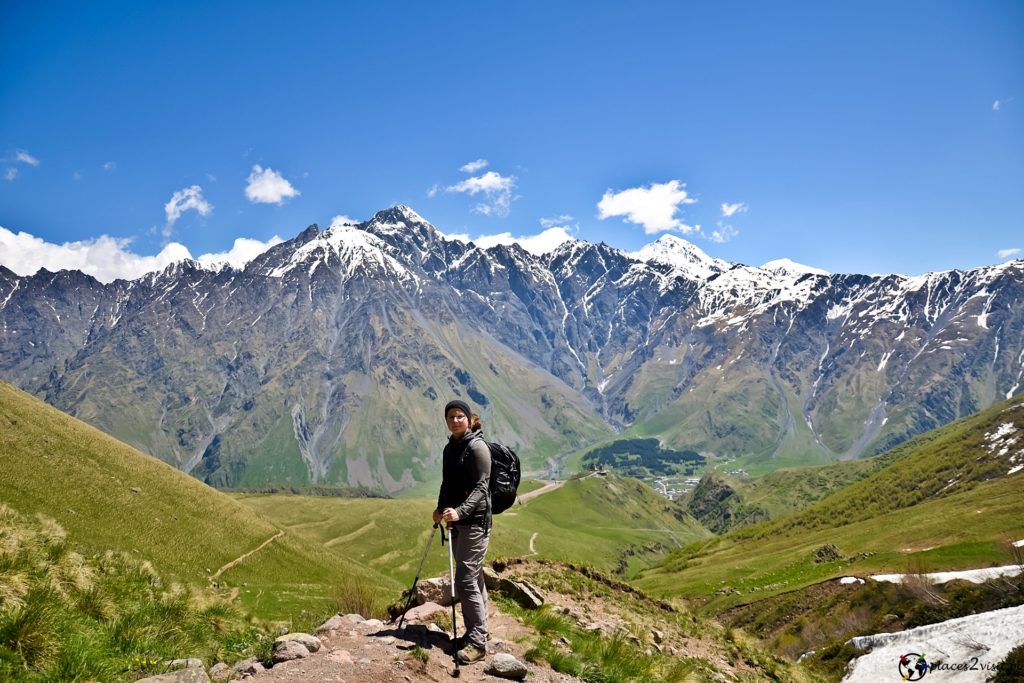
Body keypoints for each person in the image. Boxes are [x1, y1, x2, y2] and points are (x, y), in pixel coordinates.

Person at [433, 399, 491, 665]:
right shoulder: (450, 448)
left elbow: (481, 487)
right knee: (473, 576)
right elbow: (447, 483)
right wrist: (440, 509)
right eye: (451, 417)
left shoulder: (477, 447)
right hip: (458, 521)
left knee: (466, 579)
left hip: (476, 522)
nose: (455, 420)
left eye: (459, 416)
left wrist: (460, 512)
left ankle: (477, 643)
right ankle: (477, 632)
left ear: (469, 419)